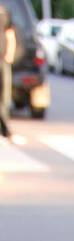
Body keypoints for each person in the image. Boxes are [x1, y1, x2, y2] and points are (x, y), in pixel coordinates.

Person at [0, 4, 15, 141]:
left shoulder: (4, 11)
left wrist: (9, 55)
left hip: (2, 60)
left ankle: (4, 127)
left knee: (5, 96)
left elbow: (10, 33)